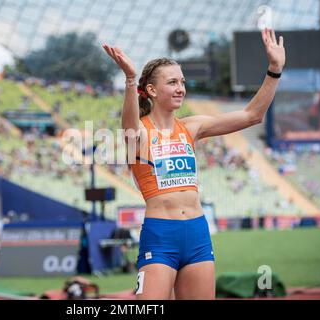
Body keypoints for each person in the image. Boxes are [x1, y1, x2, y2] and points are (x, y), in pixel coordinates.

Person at [102, 28, 285, 300]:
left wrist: (274, 69)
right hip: (161, 236)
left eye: (182, 82)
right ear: (151, 90)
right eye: (172, 82)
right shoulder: (138, 134)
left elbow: (252, 115)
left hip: (198, 235)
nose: (181, 88)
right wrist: (130, 79)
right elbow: (129, 123)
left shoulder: (192, 127)